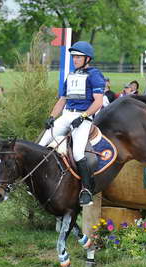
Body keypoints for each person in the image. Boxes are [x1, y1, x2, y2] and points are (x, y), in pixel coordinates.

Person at [38, 41, 105, 206]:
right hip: (67, 115)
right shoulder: (72, 75)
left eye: (78, 57)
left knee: (77, 153)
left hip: (83, 119)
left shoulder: (95, 75)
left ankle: (86, 190)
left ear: (87, 58)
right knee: (41, 143)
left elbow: (98, 102)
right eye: (74, 57)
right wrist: (52, 117)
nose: (75, 59)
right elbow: (62, 100)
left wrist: (83, 116)